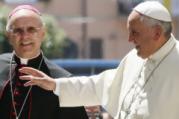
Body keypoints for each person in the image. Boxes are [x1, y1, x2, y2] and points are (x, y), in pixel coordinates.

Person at [19, 1, 179, 119]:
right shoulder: (133, 58)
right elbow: (99, 85)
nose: (129, 39)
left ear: (157, 33)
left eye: (135, 33)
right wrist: (55, 85)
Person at [0, 5, 88, 119]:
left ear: (43, 33)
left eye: (31, 29)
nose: (25, 36)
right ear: (9, 36)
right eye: (17, 30)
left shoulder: (62, 81)